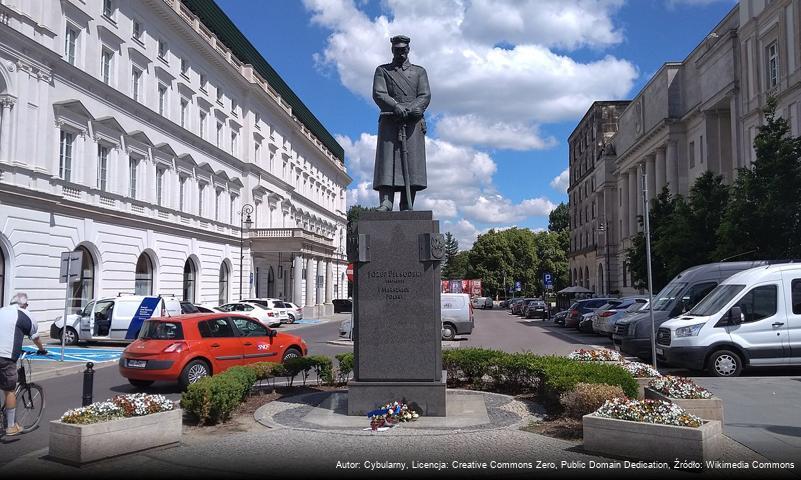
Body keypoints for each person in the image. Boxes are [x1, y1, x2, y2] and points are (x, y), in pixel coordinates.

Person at [372, 35, 431, 211]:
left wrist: (411, 109)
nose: (401, 53)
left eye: (404, 50)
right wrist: (396, 106)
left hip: (412, 121)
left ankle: (406, 202)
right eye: (397, 50)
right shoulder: (383, 70)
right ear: (392, 50)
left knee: (411, 162)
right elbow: (379, 93)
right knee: (387, 161)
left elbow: (425, 95)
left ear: (408, 50)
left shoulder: (419, 72)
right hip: (390, 119)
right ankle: (386, 201)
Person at [0, 293, 47, 436]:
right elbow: (36, 337)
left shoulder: (1, 310)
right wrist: (42, 350)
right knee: (9, 390)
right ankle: (11, 426)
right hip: (6, 356)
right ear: (25, 304)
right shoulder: (25, 315)